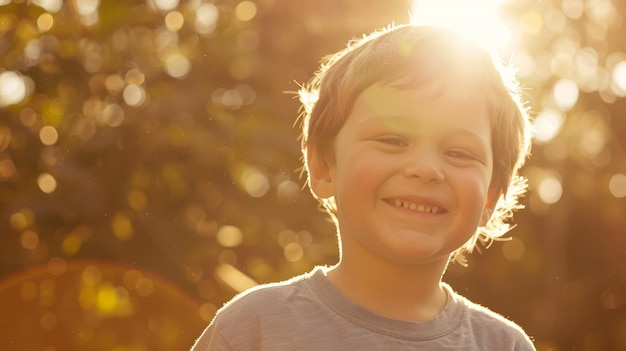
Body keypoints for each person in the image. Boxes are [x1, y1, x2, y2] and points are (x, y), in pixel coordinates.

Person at [191, 23, 535, 350]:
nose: (426, 169)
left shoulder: (504, 345)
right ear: (324, 167)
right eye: (393, 140)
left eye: (459, 153)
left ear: (490, 195)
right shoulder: (254, 329)